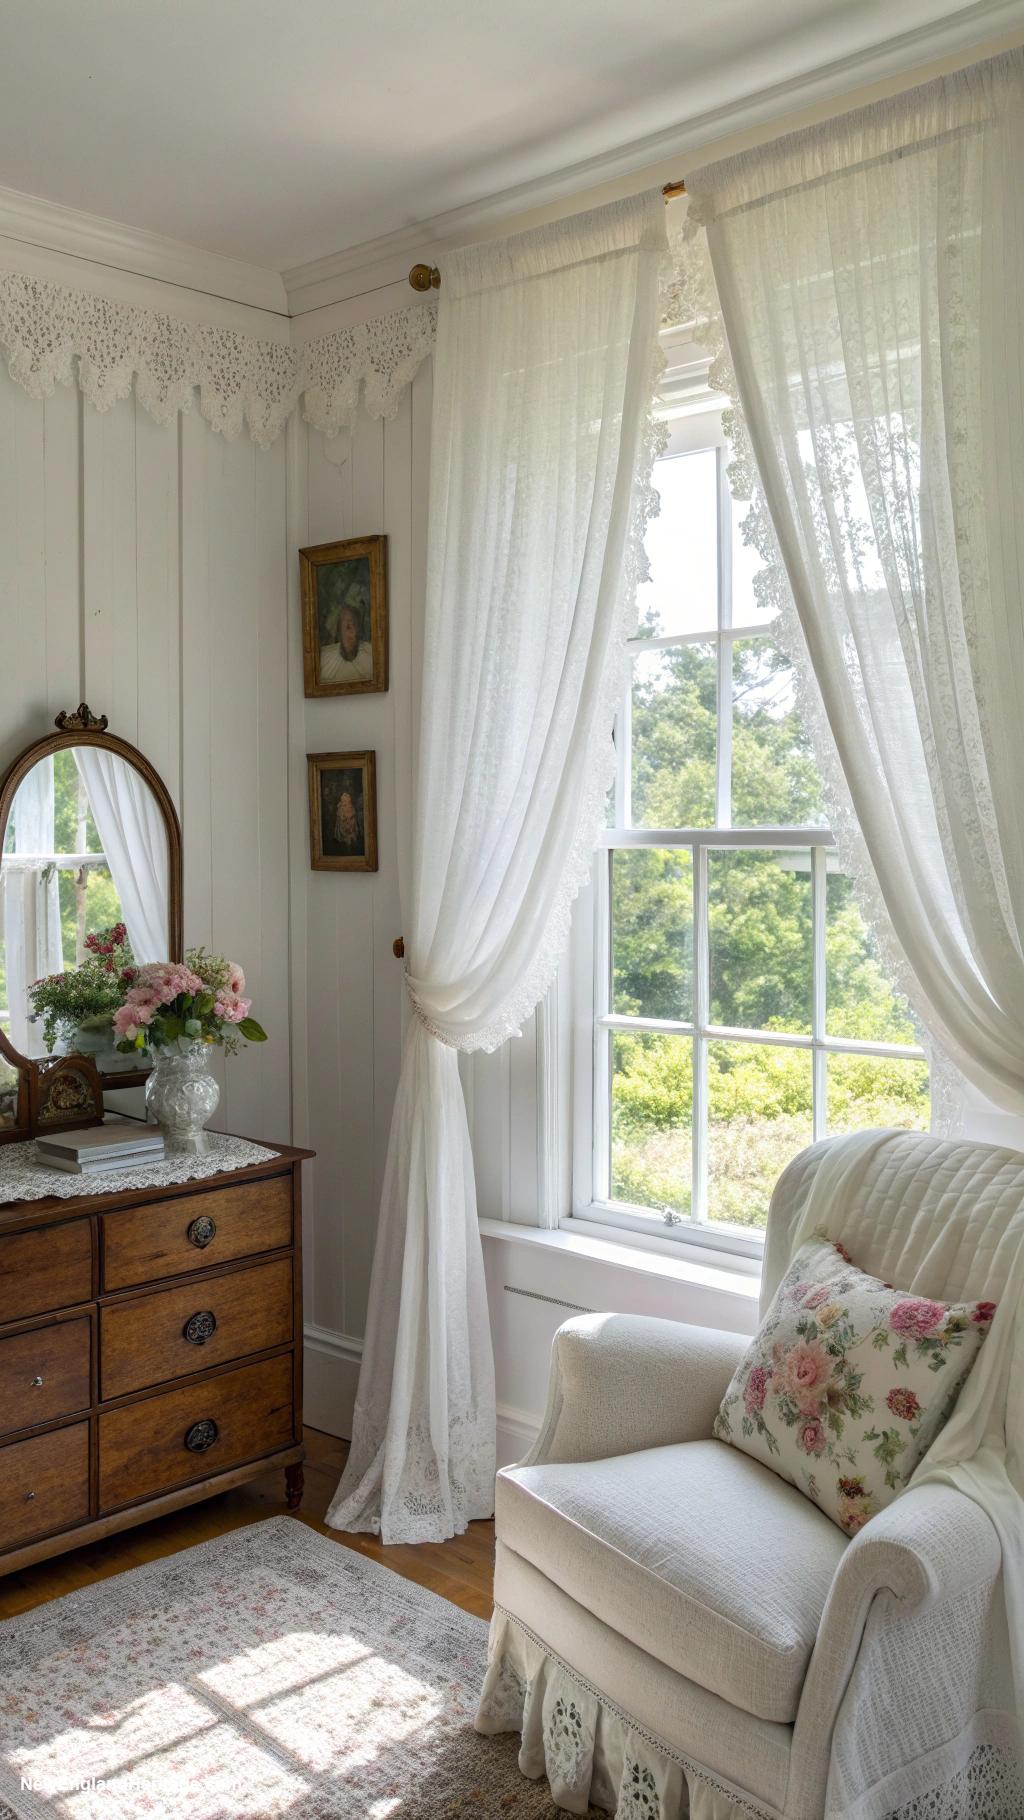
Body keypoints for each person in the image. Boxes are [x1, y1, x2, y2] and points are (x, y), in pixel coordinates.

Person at [319, 586, 373, 685]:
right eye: (346, 625)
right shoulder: (324, 659)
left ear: (358, 629)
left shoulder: (371, 656)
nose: (350, 629)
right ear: (339, 632)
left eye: (353, 623)